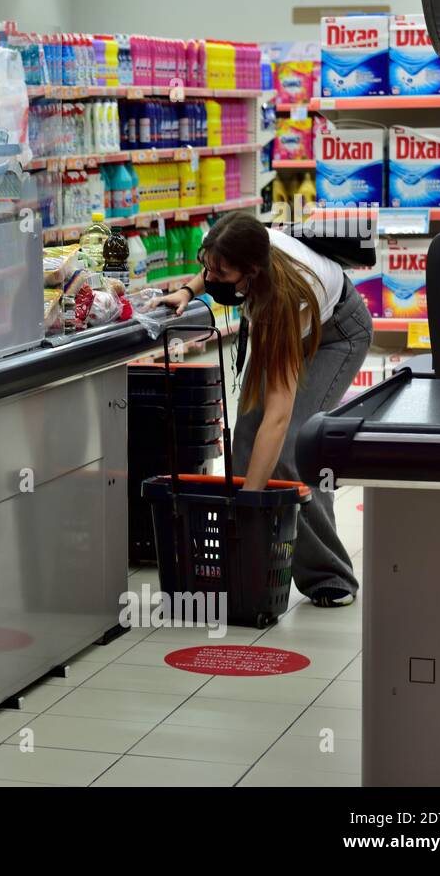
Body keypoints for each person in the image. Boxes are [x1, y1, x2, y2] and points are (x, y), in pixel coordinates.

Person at [160, 212, 372, 607]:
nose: (212, 278)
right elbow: (214, 261)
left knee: (293, 448)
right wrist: (189, 291)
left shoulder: (283, 302)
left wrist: (249, 502)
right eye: (208, 269)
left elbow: (278, 414)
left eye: (222, 275)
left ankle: (330, 574)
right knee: (246, 439)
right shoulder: (241, 243)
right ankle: (255, 559)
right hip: (289, 317)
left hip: (338, 334)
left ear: (252, 272)